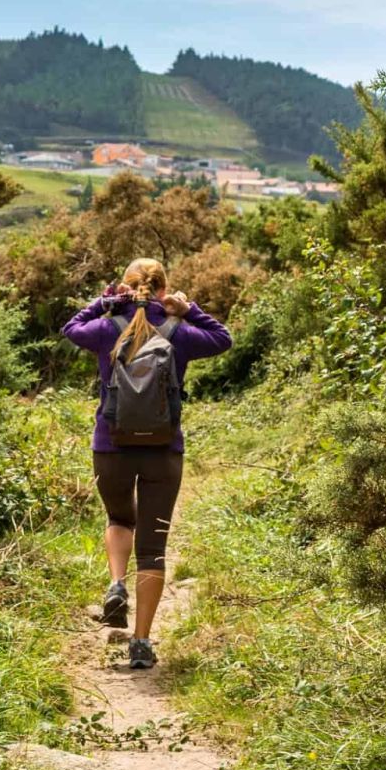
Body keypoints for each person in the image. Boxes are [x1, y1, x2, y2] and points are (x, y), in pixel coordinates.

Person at [61, 257, 232, 668]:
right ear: (162, 289)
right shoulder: (182, 332)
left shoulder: (106, 328)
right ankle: (141, 642)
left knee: (120, 519)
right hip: (164, 450)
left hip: (111, 447)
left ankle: (116, 584)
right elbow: (223, 338)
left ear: (126, 287)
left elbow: (70, 329)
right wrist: (187, 309)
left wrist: (103, 302)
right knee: (152, 549)